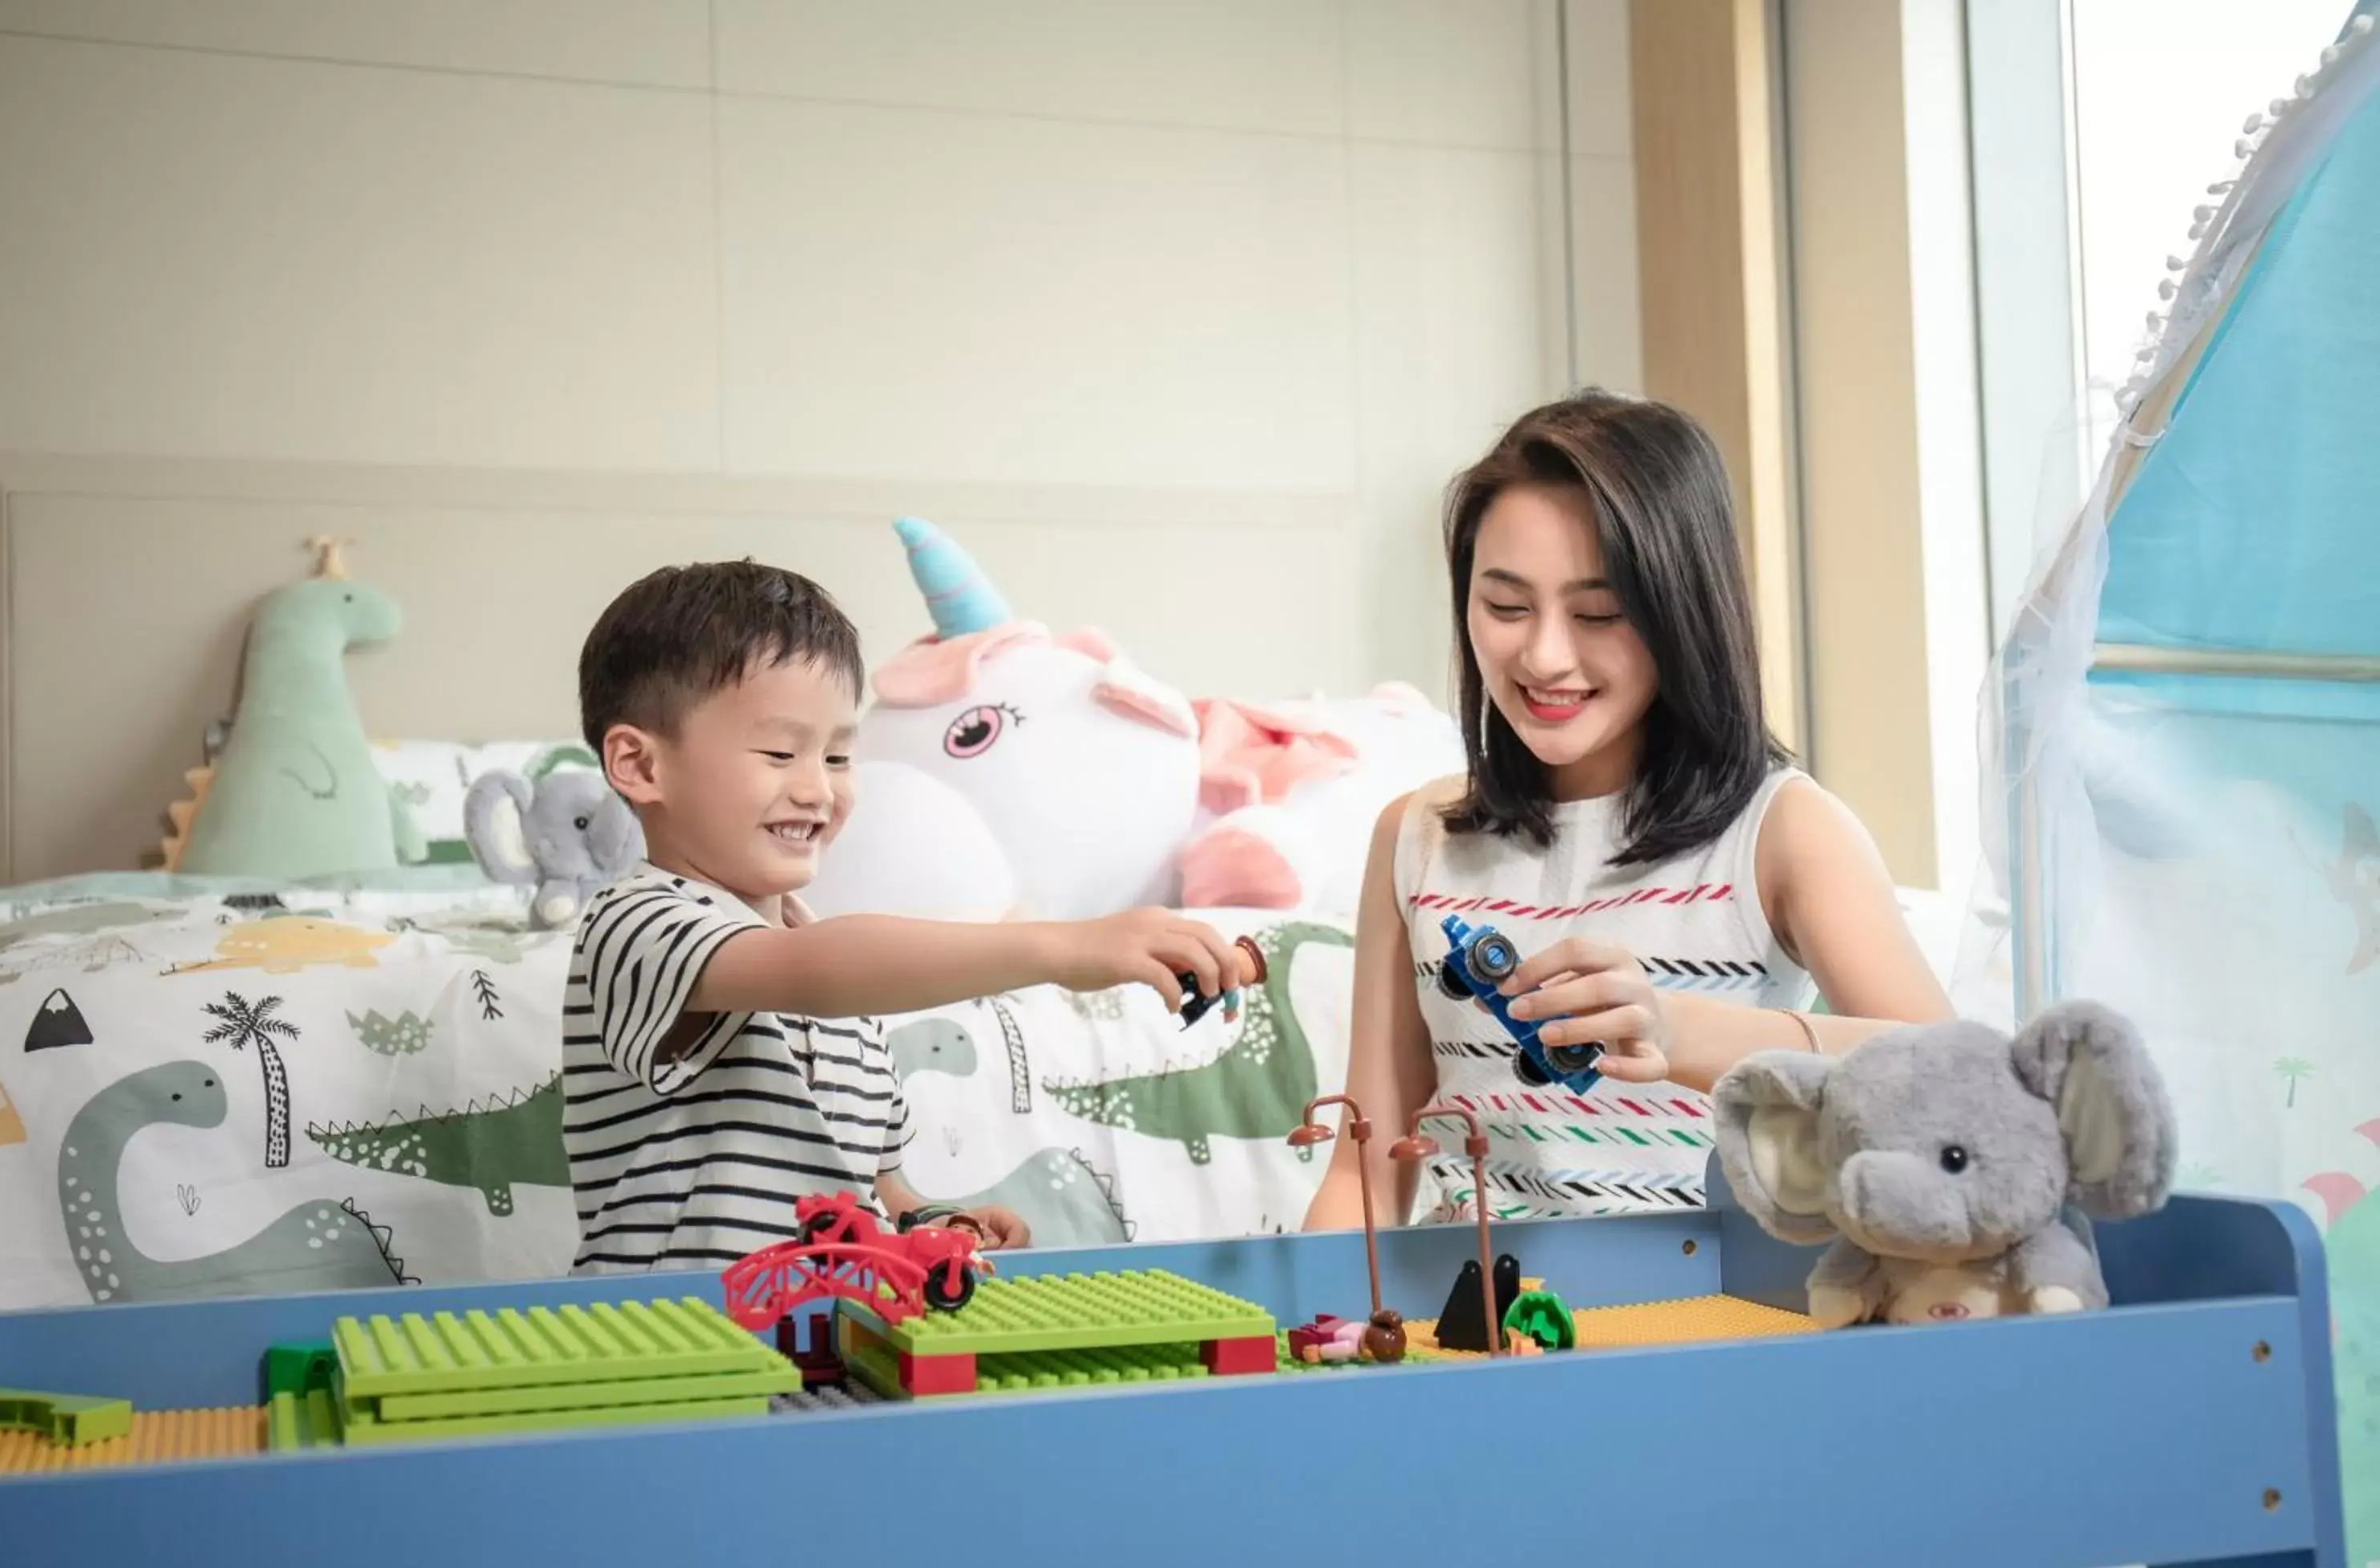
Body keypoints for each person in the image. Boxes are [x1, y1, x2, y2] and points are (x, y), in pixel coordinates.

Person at [1302, 390, 1954, 1230]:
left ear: (1680, 611)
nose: (1543, 654)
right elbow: (1368, 1166)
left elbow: (1954, 1085)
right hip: (1477, 1331)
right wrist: (1314, 1346)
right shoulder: (1416, 837)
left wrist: (1681, 1031)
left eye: (1598, 613)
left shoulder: (1783, 832)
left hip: (1704, 1328)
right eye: (1504, 606)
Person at [565, 560, 1250, 1273]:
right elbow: (815, 971)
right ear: (640, 766)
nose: (817, 789)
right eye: (779, 753)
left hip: (821, 1343)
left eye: (837, 755)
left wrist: (931, 1222)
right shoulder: (638, 922)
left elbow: (871, 1183)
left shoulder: (841, 983)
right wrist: (1059, 946)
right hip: (677, 1339)